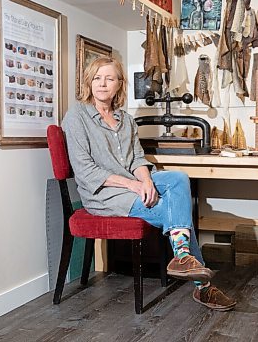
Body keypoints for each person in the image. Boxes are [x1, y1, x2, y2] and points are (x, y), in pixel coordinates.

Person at [62, 57, 236, 311]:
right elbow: (86, 171)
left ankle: (182, 256)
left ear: (119, 84)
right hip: (104, 194)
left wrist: (145, 181)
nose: (102, 84)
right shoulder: (77, 115)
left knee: (178, 178)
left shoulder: (126, 120)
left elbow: (136, 159)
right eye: (97, 78)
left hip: (131, 182)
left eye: (109, 78)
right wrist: (134, 186)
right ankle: (202, 286)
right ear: (89, 81)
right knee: (174, 211)